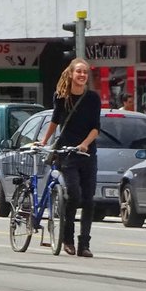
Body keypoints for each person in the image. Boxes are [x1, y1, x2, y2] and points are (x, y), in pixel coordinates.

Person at [40, 59, 100, 258]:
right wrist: (44, 141)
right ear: (71, 74)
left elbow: (95, 127)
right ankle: (67, 239)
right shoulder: (61, 97)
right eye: (79, 72)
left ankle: (84, 244)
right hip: (67, 154)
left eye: (85, 72)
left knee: (89, 199)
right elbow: (55, 120)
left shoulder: (92, 98)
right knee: (73, 194)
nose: (82, 75)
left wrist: (85, 143)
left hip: (87, 153)